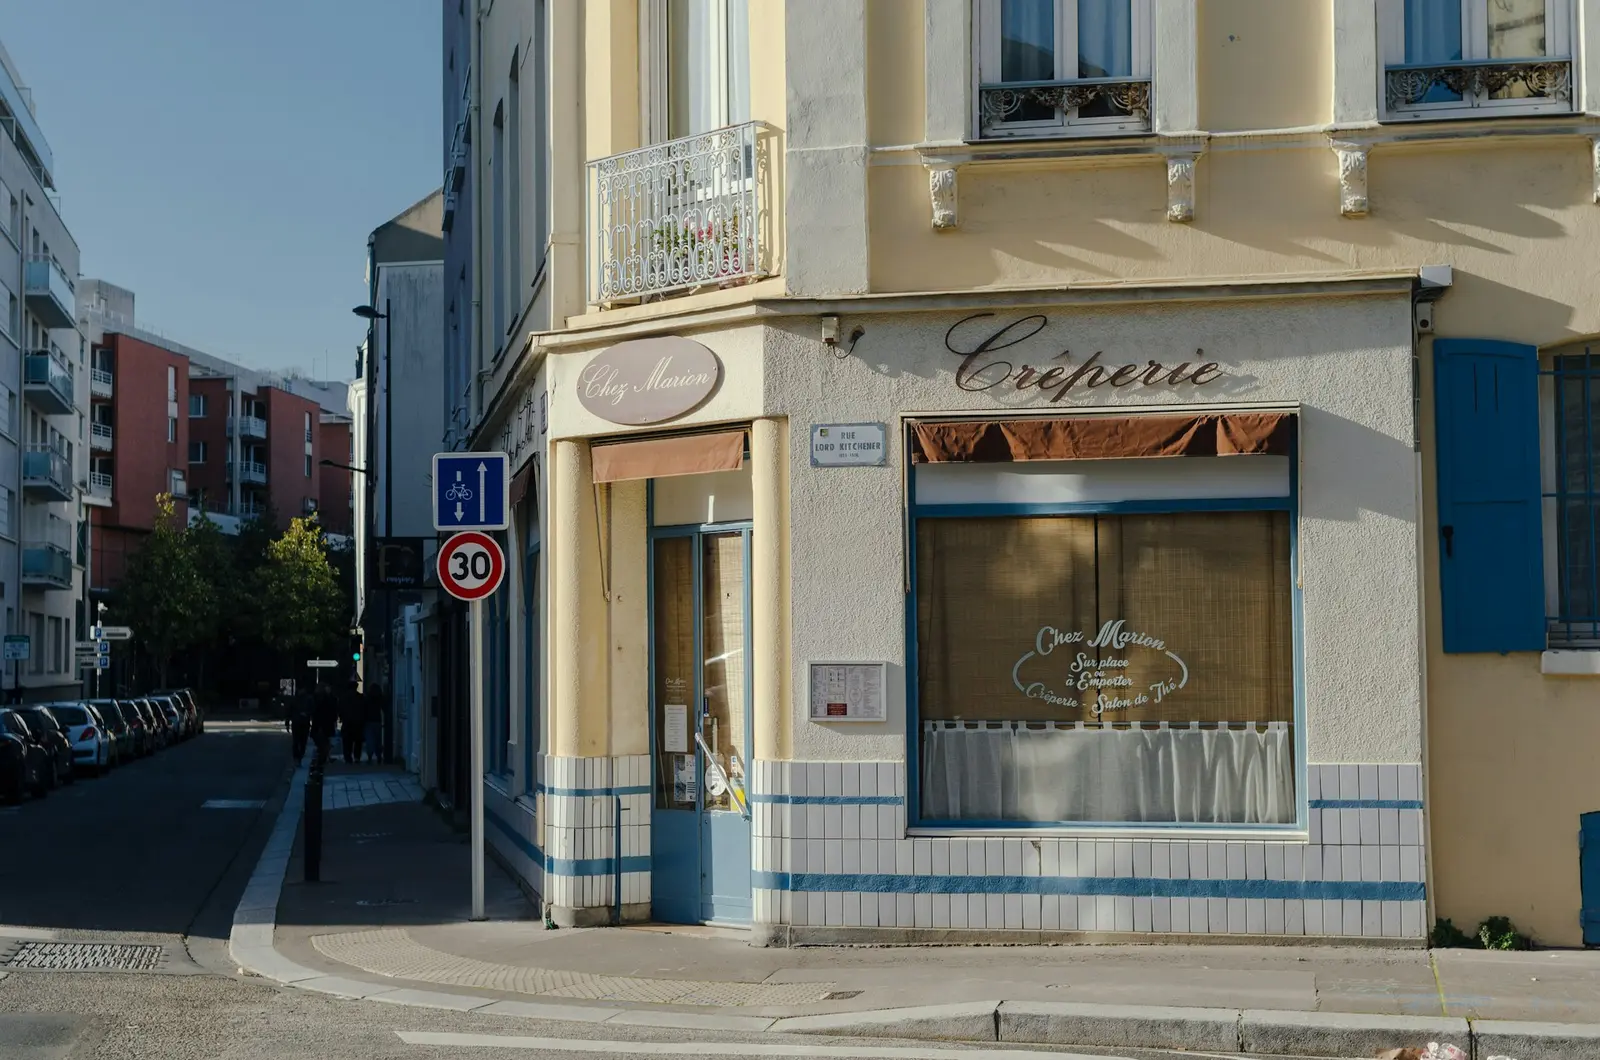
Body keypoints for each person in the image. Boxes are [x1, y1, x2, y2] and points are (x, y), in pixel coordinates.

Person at [339, 686, 363, 765]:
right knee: (358, 741)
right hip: (358, 722)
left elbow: (340, 708)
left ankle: (348, 757)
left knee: (347, 741)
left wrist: (341, 717)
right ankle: (357, 757)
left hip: (347, 722)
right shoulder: (360, 697)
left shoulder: (343, 697)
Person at [285, 693, 310, 763]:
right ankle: (299, 755)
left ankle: (297, 757)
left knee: (296, 741)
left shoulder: (294, 700)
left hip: (296, 722)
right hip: (303, 722)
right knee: (302, 741)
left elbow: (289, 712)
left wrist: (287, 723)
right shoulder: (308, 699)